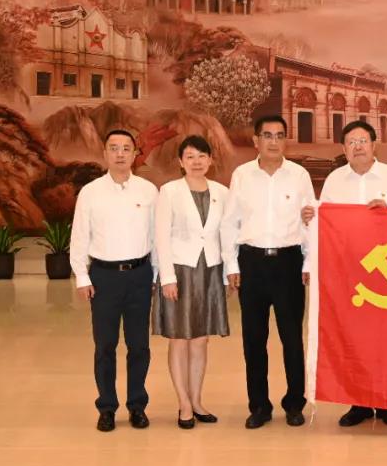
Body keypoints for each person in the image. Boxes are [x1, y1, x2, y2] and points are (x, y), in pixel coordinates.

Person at [315, 120, 387, 428]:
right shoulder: (335, 180)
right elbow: (325, 222)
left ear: (374, 145)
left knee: (386, 338)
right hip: (348, 270)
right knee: (353, 337)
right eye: (351, 142)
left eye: (363, 141)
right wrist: (312, 216)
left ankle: (386, 403)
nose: (358, 147)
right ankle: (358, 402)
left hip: (386, 270)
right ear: (343, 149)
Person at [221, 115, 314, 429]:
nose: (274, 141)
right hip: (252, 264)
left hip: (289, 264)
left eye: (279, 135)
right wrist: (231, 265)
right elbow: (229, 222)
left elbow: (310, 221)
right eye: (267, 135)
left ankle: (294, 404)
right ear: (256, 141)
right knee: (254, 339)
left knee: (292, 339)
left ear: (286, 139)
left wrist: (307, 262)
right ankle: (259, 406)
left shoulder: (299, 175)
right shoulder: (242, 175)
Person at [70, 129, 158, 433]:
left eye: (126, 148)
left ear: (135, 154)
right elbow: (79, 236)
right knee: (105, 346)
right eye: (114, 148)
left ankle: (137, 405)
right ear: (105, 153)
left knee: (139, 345)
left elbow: (156, 236)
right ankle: (106, 407)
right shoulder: (90, 192)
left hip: (140, 275)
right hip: (104, 278)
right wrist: (82, 277)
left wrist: (156, 274)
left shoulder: (148, 191)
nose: (120, 154)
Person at [153, 135, 230, 429]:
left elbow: (227, 235)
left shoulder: (222, 192)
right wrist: (167, 277)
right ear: (180, 162)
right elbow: (161, 236)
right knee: (179, 338)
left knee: (200, 340)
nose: (196, 162)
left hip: (210, 271)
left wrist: (227, 274)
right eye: (190, 156)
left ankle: (197, 401)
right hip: (180, 271)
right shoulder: (170, 191)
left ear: (210, 159)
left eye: (201, 156)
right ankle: (183, 403)